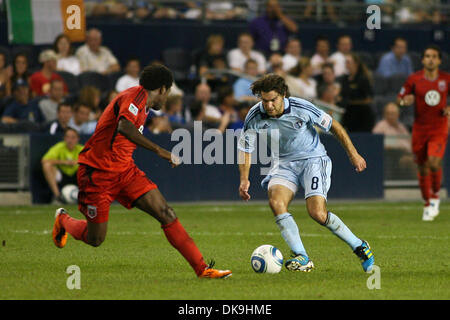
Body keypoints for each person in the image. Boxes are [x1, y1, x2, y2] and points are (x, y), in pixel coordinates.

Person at [51, 63, 232, 279]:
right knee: (96, 239)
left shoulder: (143, 103)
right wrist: (159, 150)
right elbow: (124, 127)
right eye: (168, 92)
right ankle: (64, 220)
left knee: (166, 213)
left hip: (125, 171)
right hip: (97, 173)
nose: (166, 99)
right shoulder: (133, 99)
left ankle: (202, 269)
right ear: (163, 89)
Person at [237, 74, 374, 273]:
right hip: (284, 163)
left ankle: (360, 246)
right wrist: (244, 179)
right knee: (276, 202)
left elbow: (334, 125)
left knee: (317, 213)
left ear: (283, 95)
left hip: (313, 160)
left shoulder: (301, 107)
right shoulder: (255, 115)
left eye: (273, 100)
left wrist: (354, 154)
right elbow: (245, 148)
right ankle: (302, 256)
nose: (268, 105)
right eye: (264, 100)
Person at [397, 45, 450, 221]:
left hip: (439, 127)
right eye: (427, 56)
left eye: (434, 56)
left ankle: (435, 195)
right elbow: (400, 98)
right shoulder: (414, 79)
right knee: (422, 166)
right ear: (422, 60)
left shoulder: (446, 79)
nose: (431, 59)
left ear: (439, 60)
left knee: (434, 162)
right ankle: (427, 203)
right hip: (420, 128)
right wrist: (405, 101)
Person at [42, 127, 84, 202]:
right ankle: (58, 197)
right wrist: (65, 162)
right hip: (62, 176)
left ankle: (88, 197)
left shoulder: (82, 149)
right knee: (47, 166)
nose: (70, 140)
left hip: (77, 176)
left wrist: (78, 162)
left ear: (78, 139)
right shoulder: (59, 147)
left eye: (73, 137)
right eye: (67, 137)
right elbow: (44, 160)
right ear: (64, 138)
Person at [340, 53, 375, 132]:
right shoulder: (344, 79)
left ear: (356, 64)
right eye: (346, 62)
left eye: (348, 62)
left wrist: (353, 102)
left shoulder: (363, 79)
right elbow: (342, 95)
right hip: (348, 114)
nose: (347, 64)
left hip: (362, 115)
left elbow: (369, 98)